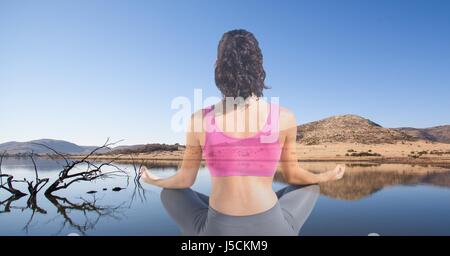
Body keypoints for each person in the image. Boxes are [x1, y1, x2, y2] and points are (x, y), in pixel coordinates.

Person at [140, 29, 345, 235]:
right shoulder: (284, 117)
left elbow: (185, 180)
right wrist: (325, 176)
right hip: (273, 228)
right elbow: (293, 175)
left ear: (218, 67)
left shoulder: (199, 119)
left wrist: (154, 180)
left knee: (171, 193)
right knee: (311, 186)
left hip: (218, 230)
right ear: (259, 68)